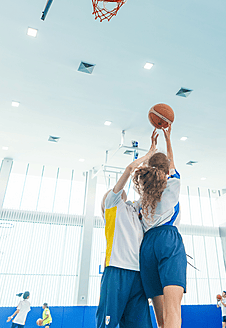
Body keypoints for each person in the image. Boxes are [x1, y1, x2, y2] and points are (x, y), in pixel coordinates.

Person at [96, 130, 158, 328]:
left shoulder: (133, 208)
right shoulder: (113, 206)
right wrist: (150, 152)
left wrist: (154, 165)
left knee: (139, 324)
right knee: (107, 323)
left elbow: (147, 188)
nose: (116, 191)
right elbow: (130, 168)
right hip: (116, 271)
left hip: (138, 275)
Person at [133, 125, 186, 328]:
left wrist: (151, 150)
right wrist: (168, 139)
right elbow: (170, 164)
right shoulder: (172, 186)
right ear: (165, 171)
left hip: (147, 247)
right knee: (173, 312)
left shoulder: (143, 198)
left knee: (161, 319)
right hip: (168, 240)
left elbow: (158, 168)